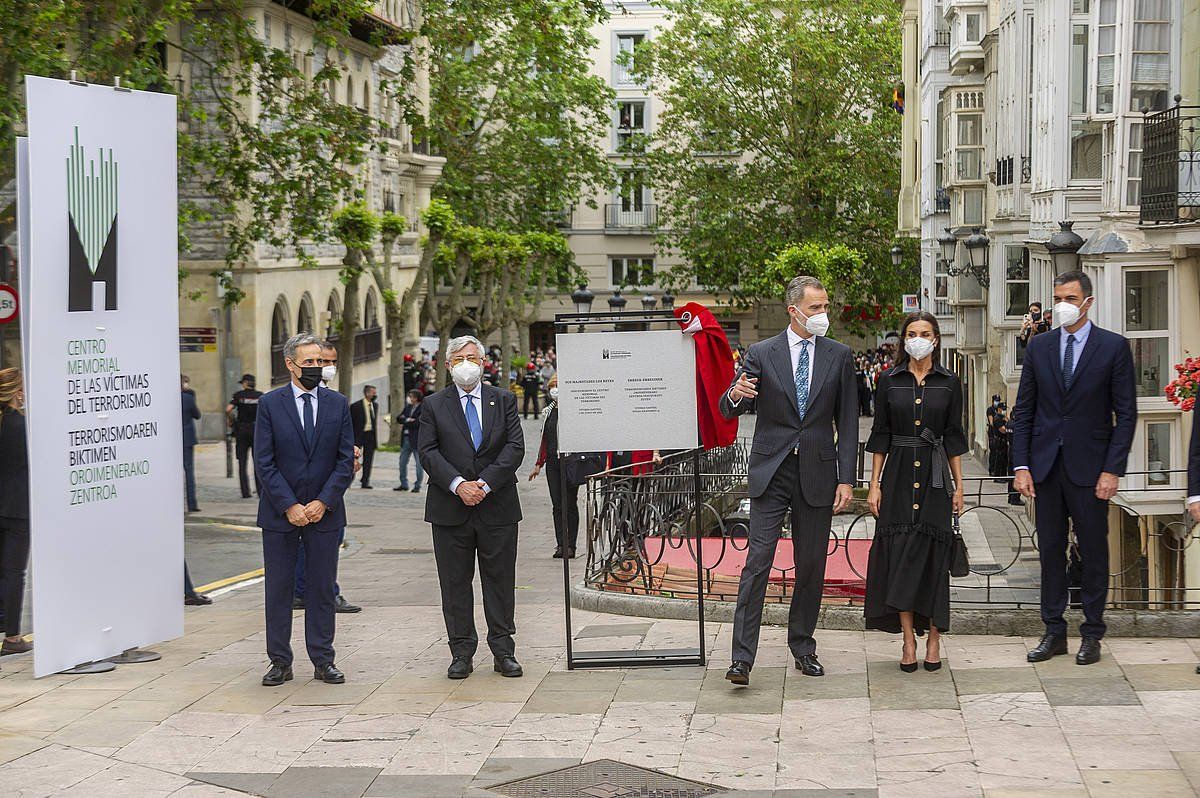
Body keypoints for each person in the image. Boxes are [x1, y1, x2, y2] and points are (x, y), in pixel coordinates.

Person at [719, 275, 858, 686]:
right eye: (815, 308)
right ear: (793, 311)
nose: (823, 315)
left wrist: (846, 479)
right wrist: (736, 393)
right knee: (756, 563)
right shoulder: (762, 353)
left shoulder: (839, 355)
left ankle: (803, 646)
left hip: (818, 471)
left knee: (811, 565)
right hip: (771, 471)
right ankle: (741, 658)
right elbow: (729, 408)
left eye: (825, 307)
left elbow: (847, 422)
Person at [1011, 271, 1136, 666]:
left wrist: (1112, 469)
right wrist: (1021, 465)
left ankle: (1092, 633)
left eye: (1069, 297)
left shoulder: (1113, 348)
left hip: (1091, 469)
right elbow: (1025, 410)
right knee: (1050, 550)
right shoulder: (1040, 347)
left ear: (1088, 301)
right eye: (1057, 297)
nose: (1062, 305)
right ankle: (1053, 631)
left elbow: (1126, 414)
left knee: (1094, 552)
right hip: (1046, 468)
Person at [419, 335, 525, 680]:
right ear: (448, 365)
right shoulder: (434, 405)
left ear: (484, 363)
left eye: (474, 358)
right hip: (450, 509)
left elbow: (514, 447)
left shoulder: (503, 400)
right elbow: (428, 452)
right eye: (460, 358)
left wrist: (484, 484)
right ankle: (461, 651)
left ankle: (503, 650)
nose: (468, 364)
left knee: (500, 580)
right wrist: (458, 485)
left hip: (497, 506)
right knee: (454, 583)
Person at [864, 313, 967, 671]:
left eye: (924, 333)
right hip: (897, 477)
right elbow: (880, 436)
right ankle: (908, 641)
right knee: (901, 558)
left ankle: (934, 638)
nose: (918, 339)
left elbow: (954, 437)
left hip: (936, 479)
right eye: (911, 333)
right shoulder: (888, 380)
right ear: (903, 340)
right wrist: (874, 484)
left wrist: (959, 486)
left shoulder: (951, 382)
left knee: (935, 561)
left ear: (936, 339)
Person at [254, 332, 356, 687]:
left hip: (324, 513)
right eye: (308, 362)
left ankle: (323, 659)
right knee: (279, 590)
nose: (316, 368)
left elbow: (345, 460)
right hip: (281, 515)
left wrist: (322, 502)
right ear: (290, 364)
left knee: (321, 589)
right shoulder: (269, 404)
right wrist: (290, 506)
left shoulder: (338, 404)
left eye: (320, 362)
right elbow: (264, 463)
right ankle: (279, 661)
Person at [529, 376, 580, 559]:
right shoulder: (548, 411)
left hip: (569, 462)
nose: (555, 389)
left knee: (569, 503)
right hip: (552, 462)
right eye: (552, 386)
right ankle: (561, 544)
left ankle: (571, 545)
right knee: (557, 504)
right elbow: (545, 439)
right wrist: (538, 464)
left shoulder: (573, 411)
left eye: (558, 385)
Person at [0, 369, 32, 657]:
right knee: (14, 573)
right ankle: (12, 638)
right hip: (18, 508)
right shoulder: (21, 427)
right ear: (16, 392)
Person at [227, 373, 263, 498]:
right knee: (258, 462)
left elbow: (228, 409)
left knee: (242, 462)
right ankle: (260, 491)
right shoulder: (260, 396)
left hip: (242, 430)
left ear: (245, 383)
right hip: (256, 430)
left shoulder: (239, 396)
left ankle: (245, 492)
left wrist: (231, 421)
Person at [395, 389, 424, 492]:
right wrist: (408, 420)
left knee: (419, 464)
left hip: (416, 440)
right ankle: (404, 484)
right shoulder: (408, 407)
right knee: (402, 462)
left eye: (411, 396)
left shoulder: (423, 408)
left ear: (416, 398)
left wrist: (406, 420)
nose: (410, 399)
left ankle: (417, 485)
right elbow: (399, 418)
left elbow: (417, 423)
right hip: (406, 439)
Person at [351, 385, 379, 489]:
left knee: (368, 460)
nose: (375, 394)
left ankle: (365, 481)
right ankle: (350, 479)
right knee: (353, 458)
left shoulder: (375, 405)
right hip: (358, 435)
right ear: (367, 393)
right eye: (373, 392)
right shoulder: (356, 406)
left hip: (370, 435)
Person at [181, 375, 201, 512]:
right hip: (187, 438)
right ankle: (192, 504)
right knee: (189, 472)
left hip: (172, 440)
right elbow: (197, 414)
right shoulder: (188, 398)